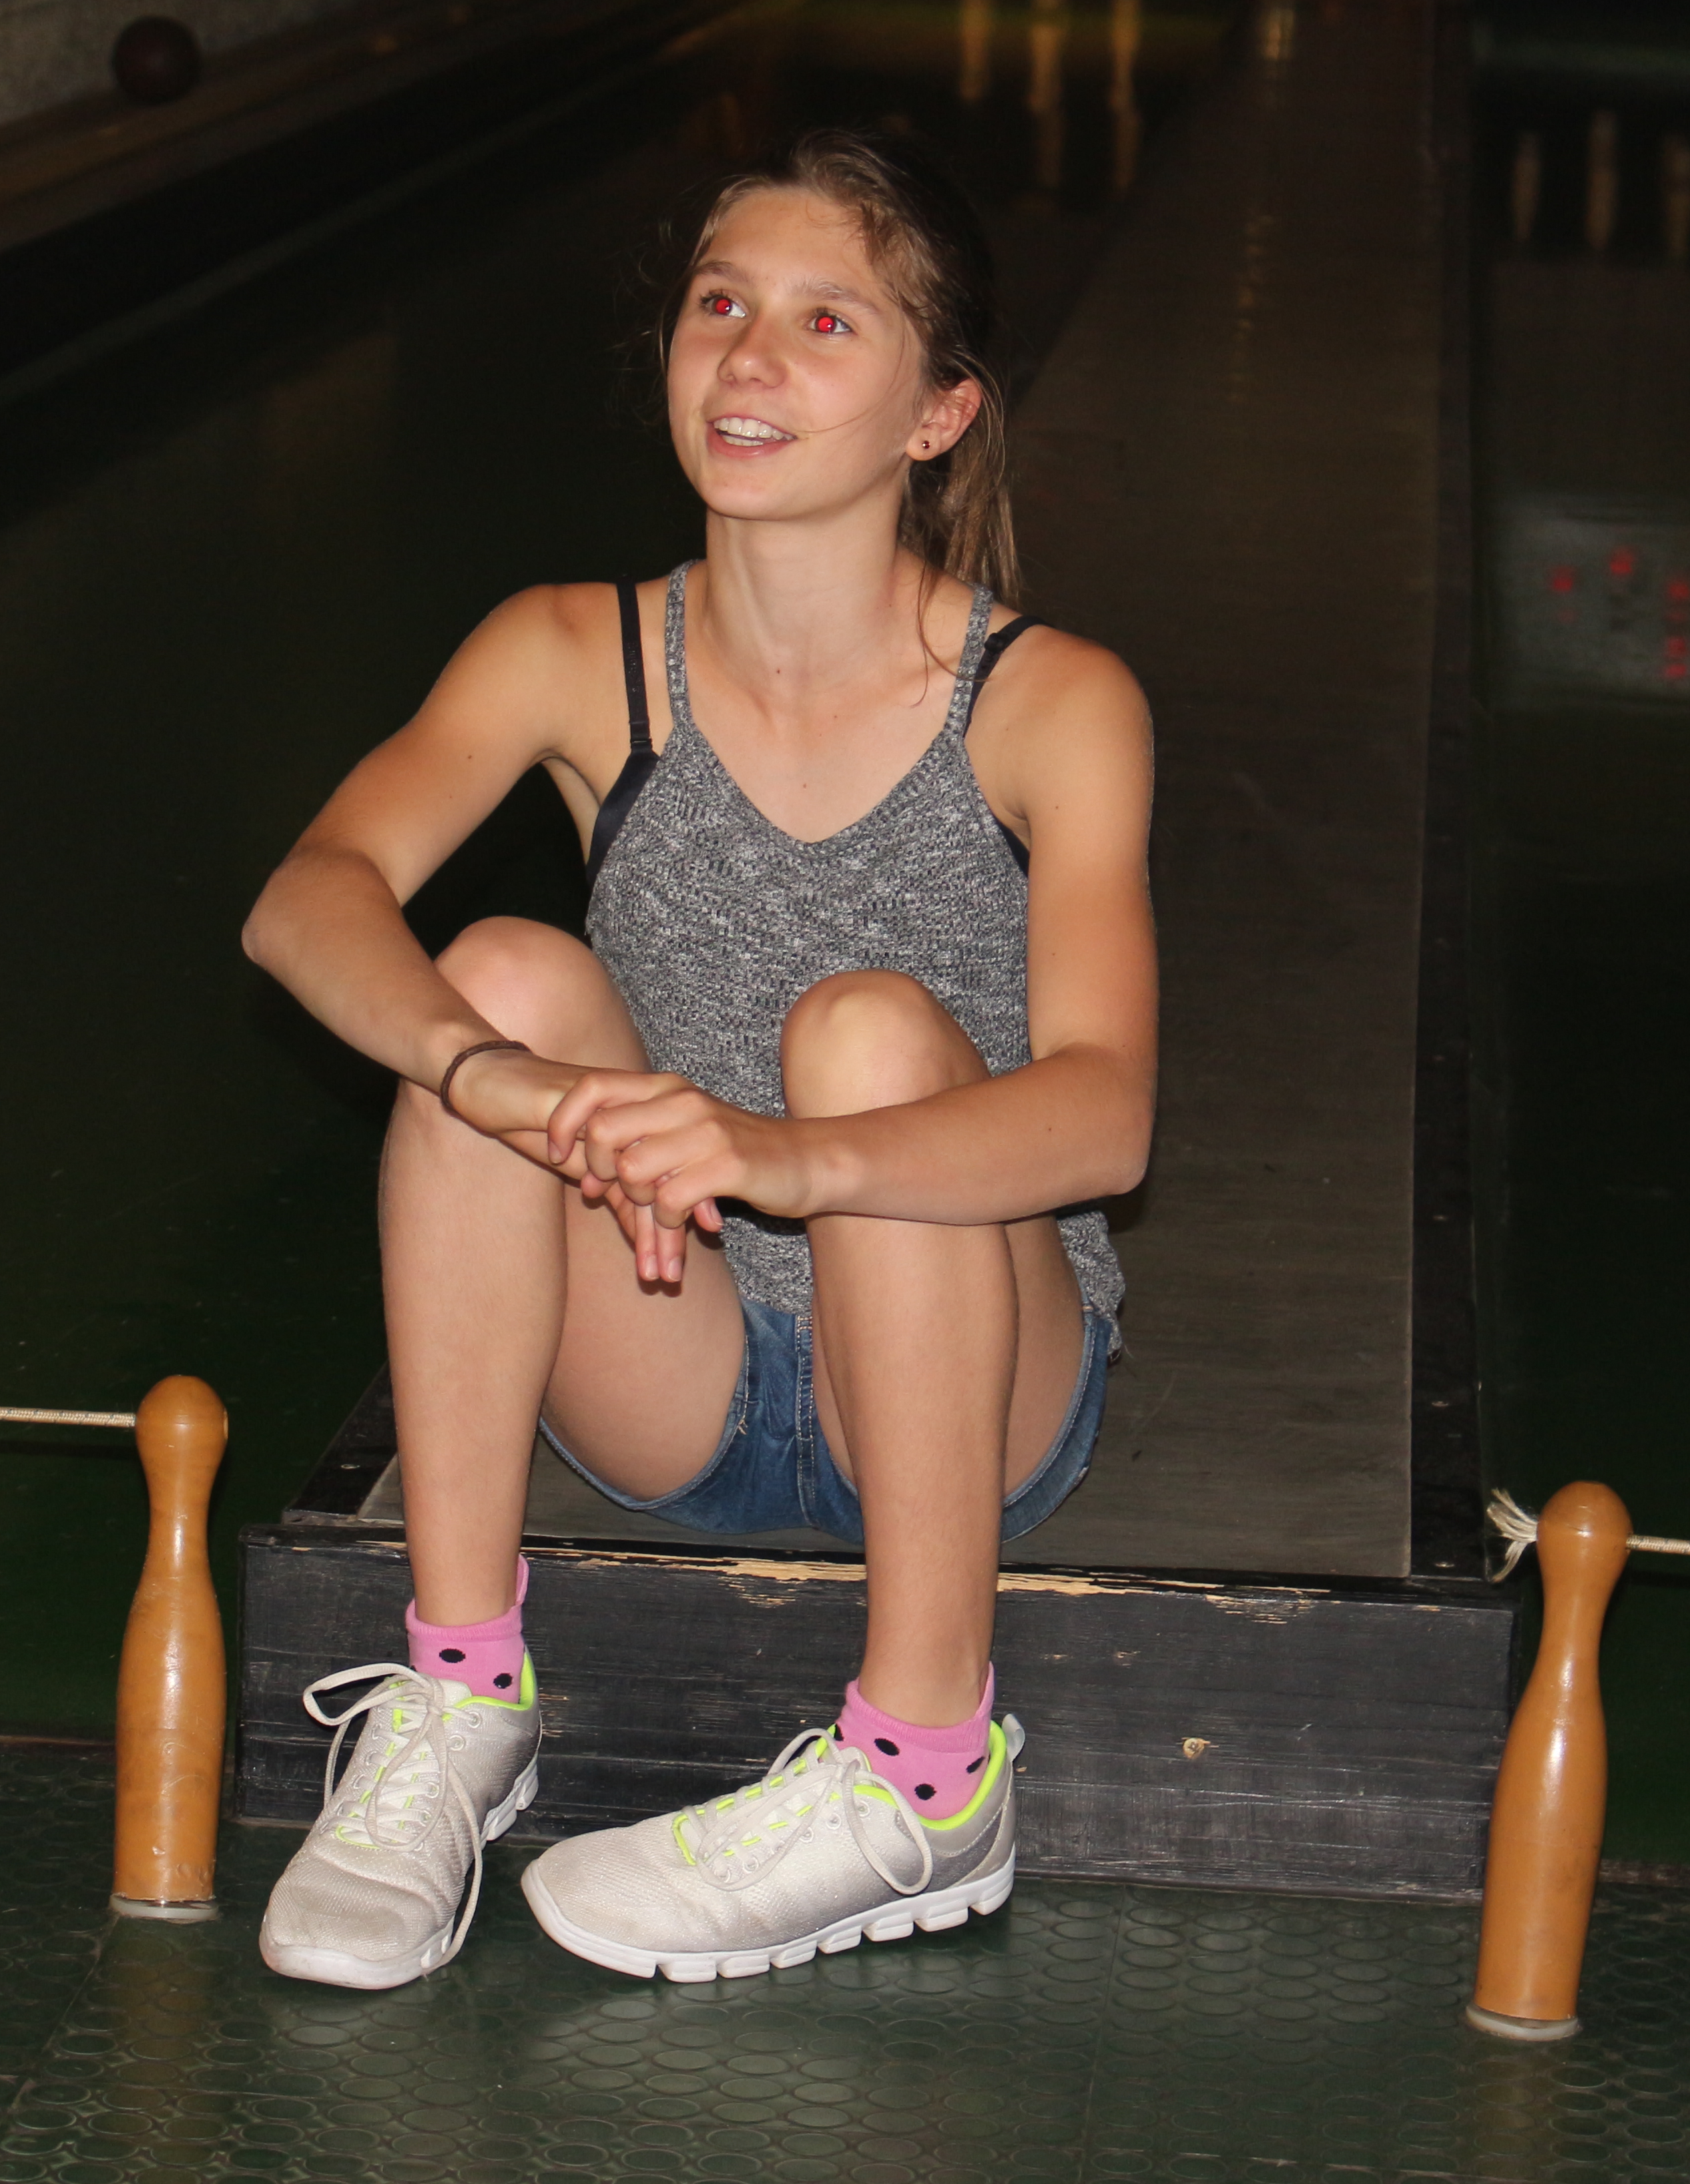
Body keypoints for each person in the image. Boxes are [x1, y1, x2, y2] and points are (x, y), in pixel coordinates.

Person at [238, 127, 1156, 1988]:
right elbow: (307, 900)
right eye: (721, 304)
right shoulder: (573, 651)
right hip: (684, 1366)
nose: (748, 357)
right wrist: (487, 1077)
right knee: (495, 975)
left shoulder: (1050, 700)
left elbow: (1107, 1115)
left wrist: (789, 1154)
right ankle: (460, 1698)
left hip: (978, 1393)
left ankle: (927, 1772)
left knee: (864, 1032)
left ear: (939, 412)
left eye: (827, 322)